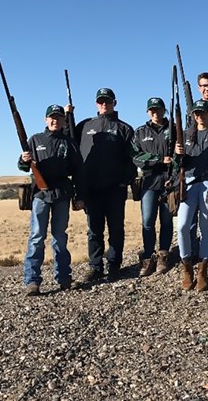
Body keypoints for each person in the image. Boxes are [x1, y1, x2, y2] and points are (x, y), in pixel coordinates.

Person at [18, 104, 85, 296]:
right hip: (40, 195)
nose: (55, 120)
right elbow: (22, 166)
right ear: (46, 120)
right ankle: (32, 281)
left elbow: (79, 172)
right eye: (51, 117)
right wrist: (24, 160)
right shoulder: (35, 140)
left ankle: (64, 278)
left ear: (64, 120)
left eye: (59, 117)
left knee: (60, 238)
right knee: (37, 237)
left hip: (62, 194)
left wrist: (80, 197)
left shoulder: (69, 143)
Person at [75, 88, 136, 282]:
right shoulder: (84, 126)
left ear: (114, 102)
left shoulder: (124, 128)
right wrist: (68, 114)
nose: (104, 104)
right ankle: (95, 266)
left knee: (116, 229)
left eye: (107, 101)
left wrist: (124, 181)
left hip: (114, 189)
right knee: (94, 230)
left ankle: (114, 264)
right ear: (96, 103)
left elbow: (132, 159)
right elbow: (69, 143)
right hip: (91, 188)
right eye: (100, 101)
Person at [173, 100, 208, 291]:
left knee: (205, 228)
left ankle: (203, 269)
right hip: (187, 184)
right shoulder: (185, 134)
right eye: (196, 113)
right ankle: (187, 265)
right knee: (182, 227)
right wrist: (176, 155)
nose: (199, 116)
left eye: (202, 113)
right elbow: (177, 166)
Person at [131, 97, 175, 277]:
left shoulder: (173, 128)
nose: (155, 113)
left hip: (169, 180)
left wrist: (173, 174)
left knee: (166, 220)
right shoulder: (140, 132)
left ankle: (163, 255)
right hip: (149, 181)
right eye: (152, 110)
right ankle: (148, 257)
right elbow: (135, 157)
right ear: (148, 112)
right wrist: (157, 159)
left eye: (158, 109)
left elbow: (180, 153)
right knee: (148, 221)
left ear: (164, 110)